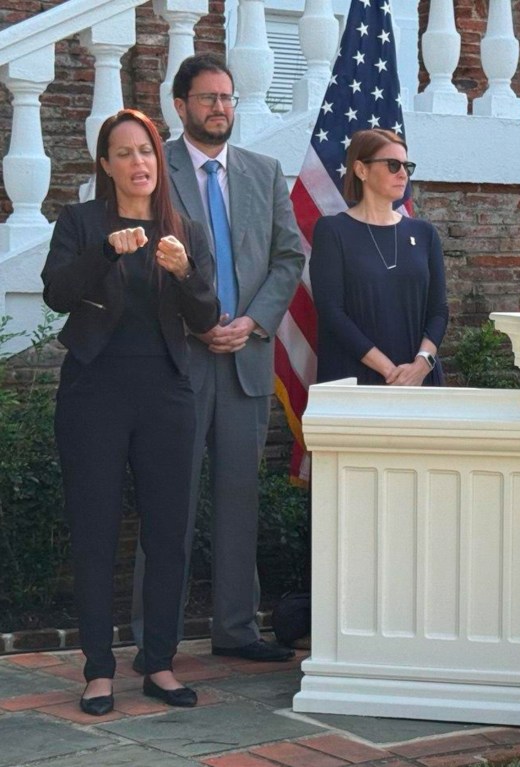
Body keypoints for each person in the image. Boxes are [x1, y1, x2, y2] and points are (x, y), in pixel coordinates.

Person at [42, 109, 220, 715]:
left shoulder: (186, 230)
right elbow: (57, 293)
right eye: (123, 153)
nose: (137, 163)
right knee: (94, 531)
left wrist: (186, 272)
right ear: (106, 164)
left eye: (145, 151)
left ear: (158, 158)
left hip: (167, 393)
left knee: (169, 533)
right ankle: (97, 671)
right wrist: (104, 254)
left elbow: (207, 317)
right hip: (94, 392)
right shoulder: (81, 221)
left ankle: (160, 664)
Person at [130, 53, 304, 666]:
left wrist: (253, 322)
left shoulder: (263, 171)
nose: (220, 108)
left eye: (227, 98)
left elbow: (289, 258)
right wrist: (200, 322)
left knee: (239, 500)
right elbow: (144, 259)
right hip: (179, 358)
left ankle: (235, 631)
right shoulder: (158, 170)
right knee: (168, 499)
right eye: (207, 98)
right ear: (180, 106)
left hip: (245, 360)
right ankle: (157, 637)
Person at [309, 128, 448, 385]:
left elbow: (438, 310)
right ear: (361, 170)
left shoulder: (425, 233)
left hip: (420, 377)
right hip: (356, 377)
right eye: (393, 165)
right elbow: (331, 311)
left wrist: (422, 363)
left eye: (407, 166)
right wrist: (390, 371)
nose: (403, 173)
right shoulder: (333, 231)